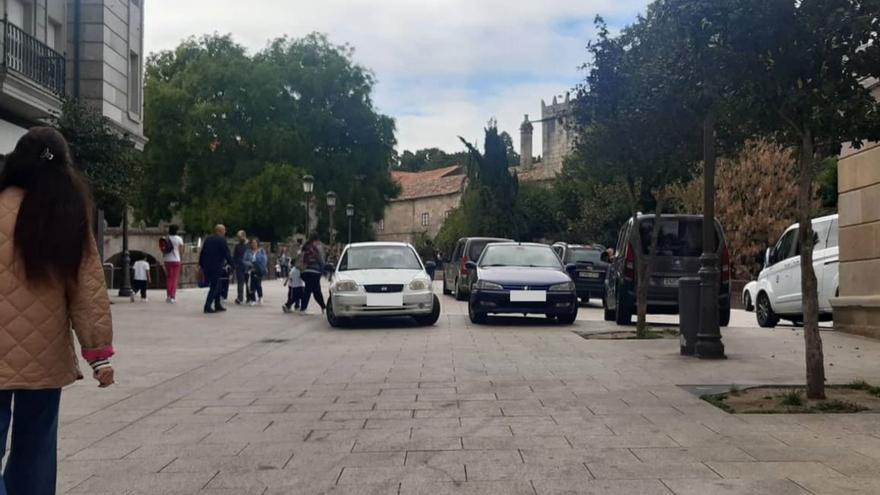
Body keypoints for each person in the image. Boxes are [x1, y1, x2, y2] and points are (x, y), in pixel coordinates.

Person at [0, 127, 115, 494]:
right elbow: (88, 289)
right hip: (44, 354)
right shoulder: (68, 213)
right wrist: (99, 354)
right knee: (35, 450)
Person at [199, 224, 233, 314]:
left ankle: (217, 304)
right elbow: (227, 253)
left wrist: (201, 264)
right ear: (219, 231)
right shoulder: (222, 240)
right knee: (214, 287)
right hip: (216, 266)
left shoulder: (208, 239)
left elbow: (202, 252)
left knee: (218, 284)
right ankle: (207, 306)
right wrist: (232, 264)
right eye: (224, 230)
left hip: (207, 266)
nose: (225, 232)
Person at [300, 232, 326, 313]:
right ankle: (323, 307)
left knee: (311, 290)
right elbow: (321, 260)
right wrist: (323, 270)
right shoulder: (317, 247)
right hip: (315, 271)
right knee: (314, 291)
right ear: (316, 239)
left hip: (306, 271)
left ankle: (304, 308)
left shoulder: (305, 247)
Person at [163, 224, 184, 303]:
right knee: (174, 279)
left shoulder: (166, 238)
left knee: (169, 278)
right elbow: (181, 250)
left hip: (167, 259)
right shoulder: (179, 239)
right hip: (176, 259)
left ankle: (168, 296)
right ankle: (172, 296)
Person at [243, 238, 268, 306]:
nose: (254, 244)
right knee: (251, 285)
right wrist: (251, 264)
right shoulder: (248, 251)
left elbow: (265, 260)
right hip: (250, 271)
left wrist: (258, 265)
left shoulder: (261, 251)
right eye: (252, 243)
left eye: (255, 243)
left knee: (258, 284)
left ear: (257, 243)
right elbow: (244, 260)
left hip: (259, 270)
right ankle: (253, 299)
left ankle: (260, 297)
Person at [232, 230, 248, 305]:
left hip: (248, 266)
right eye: (238, 237)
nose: (238, 238)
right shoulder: (237, 246)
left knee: (249, 282)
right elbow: (235, 256)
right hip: (239, 266)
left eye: (239, 237)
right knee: (240, 282)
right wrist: (234, 265)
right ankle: (240, 297)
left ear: (244, 236)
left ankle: (250, 297)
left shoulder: (248, 245)